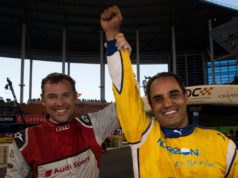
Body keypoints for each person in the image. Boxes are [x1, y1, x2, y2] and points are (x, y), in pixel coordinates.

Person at [100, 5, 238, 178]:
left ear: (185, 97)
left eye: (173, 94)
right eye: (158, 99)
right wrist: (112, 36)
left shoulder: (223, 145)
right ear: (151, 105)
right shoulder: (142, 133)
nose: (167, 103)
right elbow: (125, 90)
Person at [5, 36, 131, 178]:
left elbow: (127, 103)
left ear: (75, 97)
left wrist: (122, 62)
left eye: (66, 95)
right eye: (52, 96)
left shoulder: (93, 125)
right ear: (43, 100)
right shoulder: (23, 141)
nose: (60, 103)